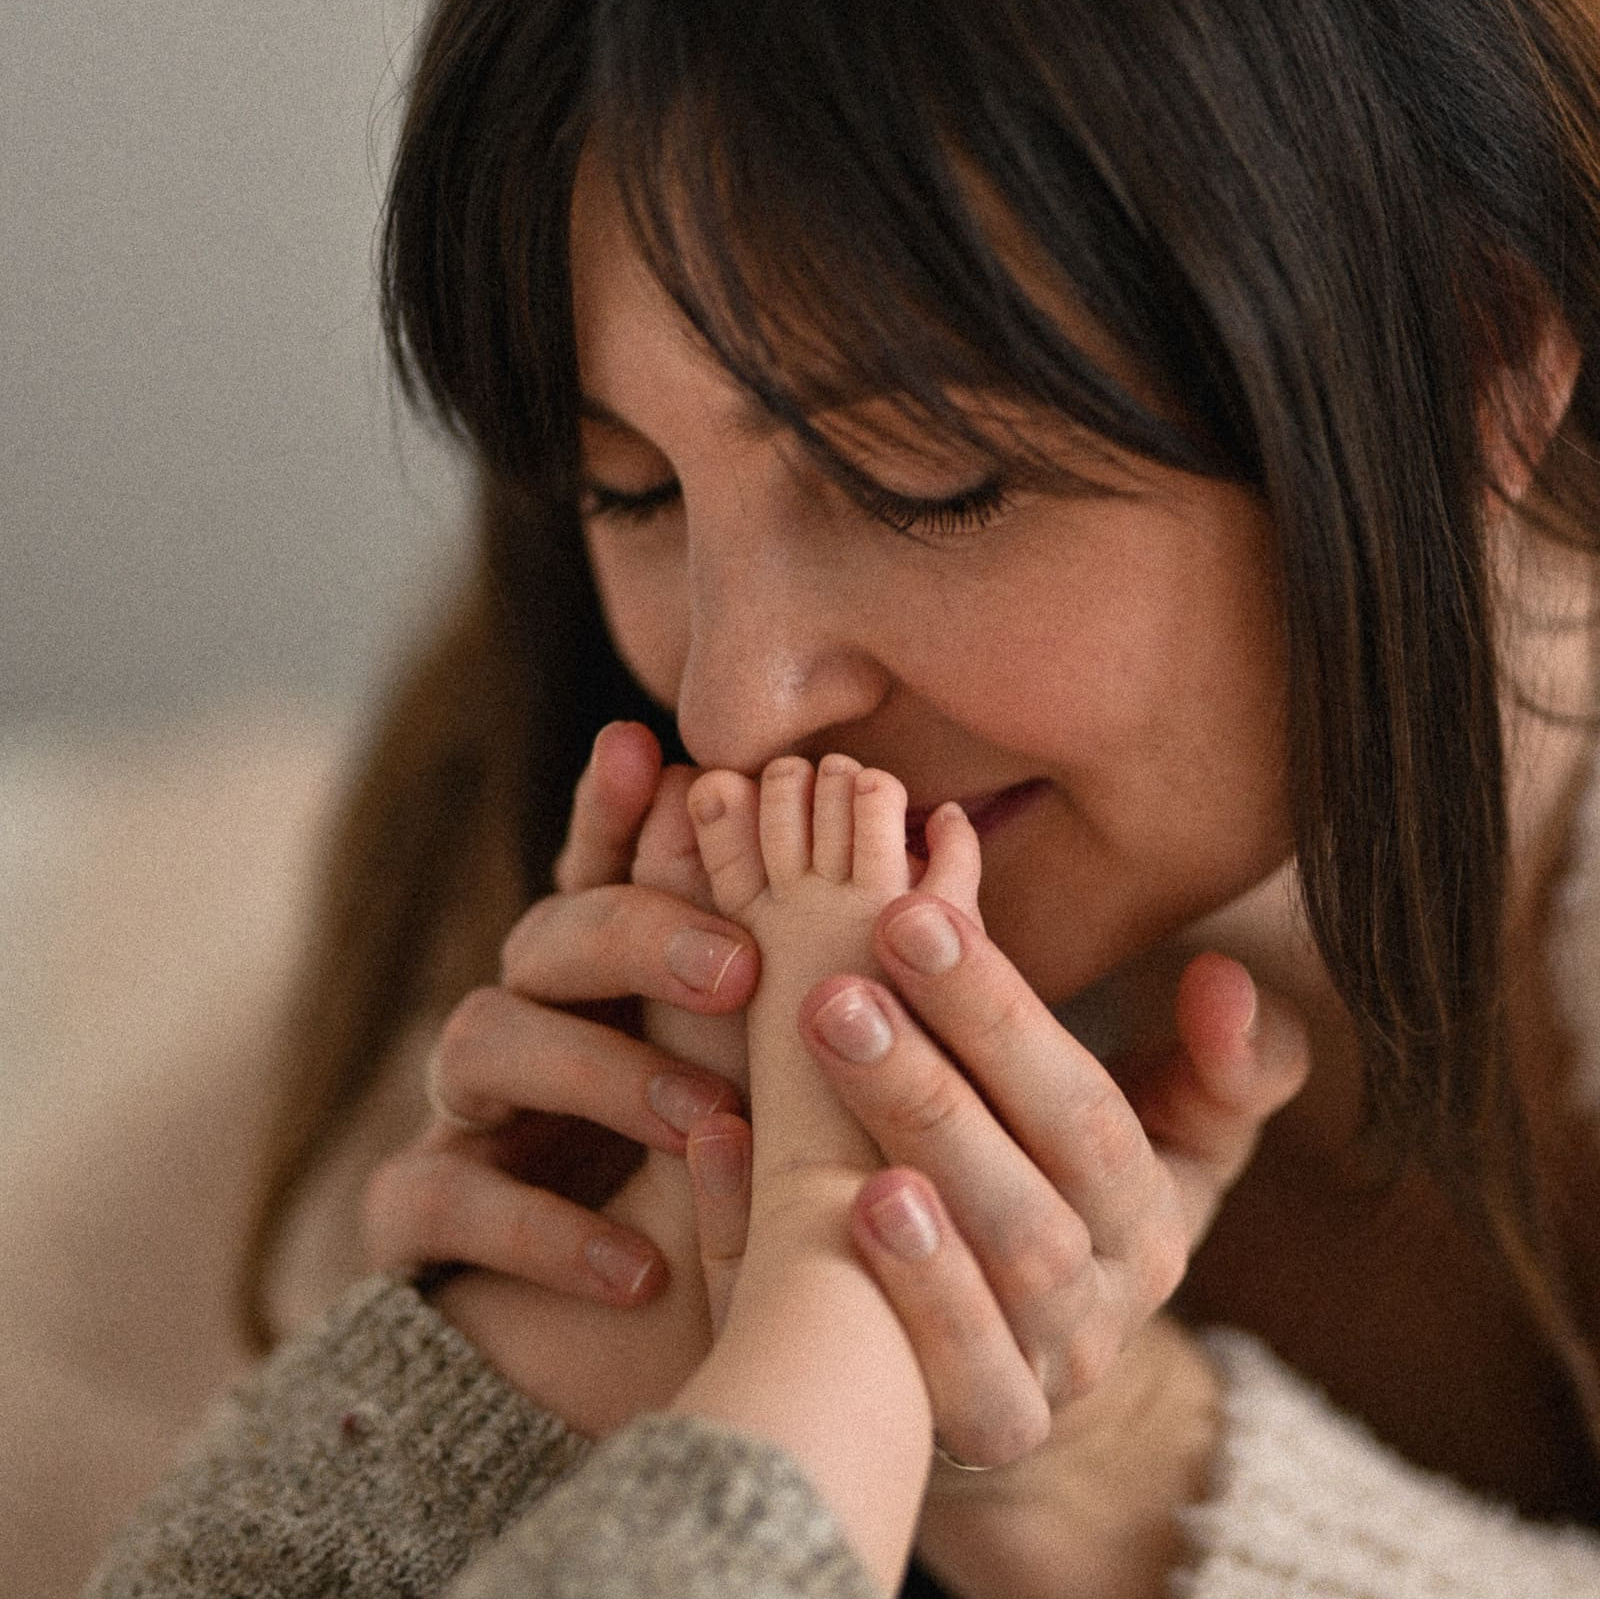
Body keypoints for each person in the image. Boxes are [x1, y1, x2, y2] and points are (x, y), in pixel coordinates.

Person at [83, 0, 1600, 1594]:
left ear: (1478, 366)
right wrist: (498, 1403)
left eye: (922, 480)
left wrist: (1116, 1478)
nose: (731, 699)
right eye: (633, 487)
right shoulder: (566, 825)